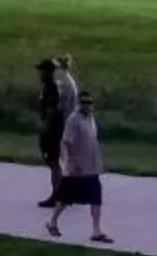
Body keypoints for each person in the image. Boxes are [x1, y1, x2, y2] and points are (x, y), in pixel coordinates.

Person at [47, 90, 110, 244]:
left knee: (96, 197)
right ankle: (53, 221)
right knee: (65, 197)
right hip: (77, 168)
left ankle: (96, 230)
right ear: (78, 103)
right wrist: (74, 162)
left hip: (90, 166)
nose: (87, 106)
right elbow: (67, 142)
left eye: (89, 103)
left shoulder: (90, 118)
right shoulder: (74, 120)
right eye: (84, 103)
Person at [35, 57, 78, 209]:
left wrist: (46, 129)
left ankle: (58, 196)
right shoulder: (66, 83)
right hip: (63, 126)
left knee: (54, 163)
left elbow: (53, 111)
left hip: (55, 129)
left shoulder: (55, 87)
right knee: (60, 163)